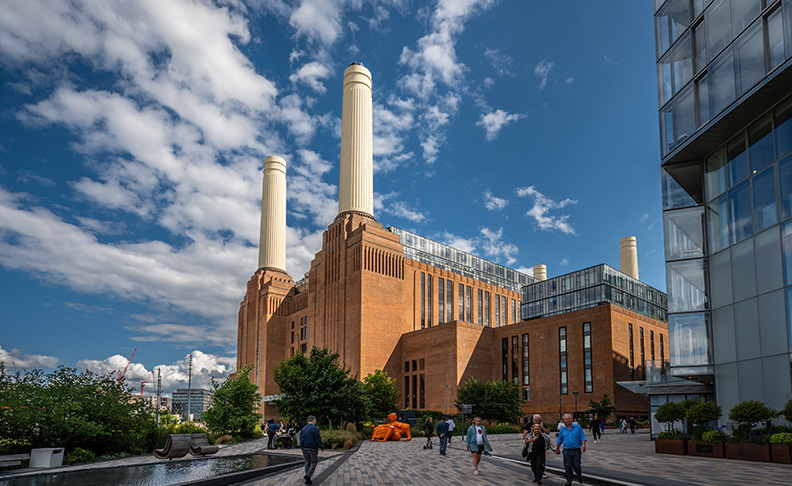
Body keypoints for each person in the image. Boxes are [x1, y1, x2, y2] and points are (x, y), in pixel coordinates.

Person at [555, 413, 586, 486]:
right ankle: (569, 480)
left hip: (576, 450)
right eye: (566, 419)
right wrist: (557, 449)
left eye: (569, 419)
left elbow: (582, 437)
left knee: (576, 465)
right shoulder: (562, 429)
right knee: (567, 466)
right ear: (564, 420)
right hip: (566, 451)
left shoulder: (578, 428)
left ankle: (579, 475)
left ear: (571, 419)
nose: (568, 420)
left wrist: (583, 445)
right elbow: (560, 440)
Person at [300, 415, 324, 485]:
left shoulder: (303, 429)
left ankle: (308, 479)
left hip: (304, 448)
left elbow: (301, 439)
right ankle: (308, 475)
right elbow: (318, 439)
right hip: (312, 448)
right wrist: (321, 447)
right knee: (314, 462)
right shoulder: (315, 428)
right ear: (313, 421)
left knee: (307, 463)